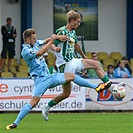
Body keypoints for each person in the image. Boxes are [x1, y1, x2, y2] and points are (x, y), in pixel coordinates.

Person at [6, 28, 110, 130]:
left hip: (50, 77)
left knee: (72, 76)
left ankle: (96, 87)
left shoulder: (35, 43)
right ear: (28, 40)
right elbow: (40, 52)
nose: (36, 40)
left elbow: (46, 40)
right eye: (33, 39)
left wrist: (59, 37)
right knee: (33, 103)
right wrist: (52, 40)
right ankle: (15, 123)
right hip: (40, 80)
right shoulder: (25, 51)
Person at [43, 10, 114, 121]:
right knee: (66, 94)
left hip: (73, 60)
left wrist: (84, 56)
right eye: (78, 21)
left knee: (95, 64)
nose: (79, 23)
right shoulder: (62, 31)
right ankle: (47, 106)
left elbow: (76, 45)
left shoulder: (73, 32)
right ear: (71, 21)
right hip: (64, 65)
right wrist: (55, 48)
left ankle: (110, 85)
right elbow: (52, 43)